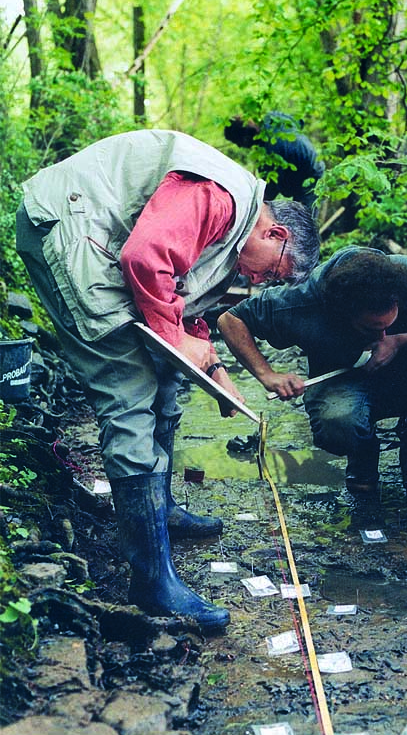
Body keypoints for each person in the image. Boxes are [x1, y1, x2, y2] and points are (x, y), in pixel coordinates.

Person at [16, 128, 320, 630]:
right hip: (69, 233)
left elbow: (184, 299)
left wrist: (216, 373)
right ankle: (154, 582)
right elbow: (146, 259)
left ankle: (162, 511)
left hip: (102, 240)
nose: (264, 284)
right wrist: (177, 343)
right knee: (129, 390)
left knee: (165, 377)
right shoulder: (219, 197)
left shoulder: (236, 231)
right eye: (276, 274)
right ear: (276, 235)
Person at [217, 246, 407, 497]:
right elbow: (231, 319)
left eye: (389, 324)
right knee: (338, 423)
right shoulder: (302, 299)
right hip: (342, 379)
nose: (382, 333)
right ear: (343, 312)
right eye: (372, 329)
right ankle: (362, 450)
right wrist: (267, 375)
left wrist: (399, 341)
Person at [224, 111, 325, 210]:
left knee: (304, 218)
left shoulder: (269, 154)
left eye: (237, 142)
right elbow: (299, 121)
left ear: (245, 137)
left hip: (312, 177)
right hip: (309, 164)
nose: (239, 146)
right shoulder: (272, 117)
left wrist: (253, 208)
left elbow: (270, 191)